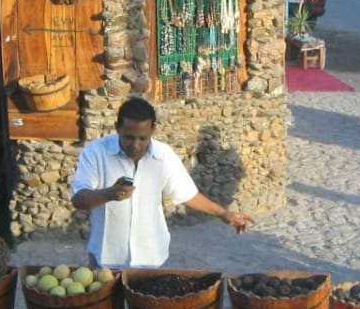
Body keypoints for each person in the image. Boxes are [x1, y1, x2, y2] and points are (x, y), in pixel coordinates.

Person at [71, 97, 252, 268]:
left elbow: (187, 194)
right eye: (129, 137)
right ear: (117, 128)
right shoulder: (95, 153)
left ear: (153, 130)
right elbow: (78, 199)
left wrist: (223, 213)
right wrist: (109, 194)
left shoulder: (163, 155)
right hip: (106, 260)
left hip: (151, 260)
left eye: (142, 138)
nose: (135, 144)